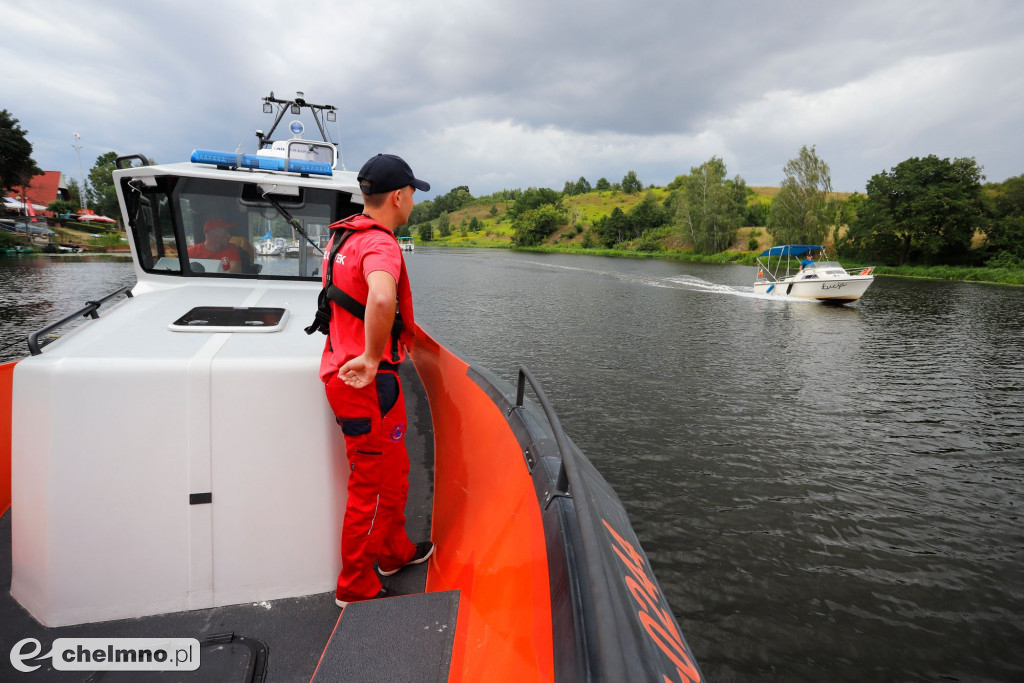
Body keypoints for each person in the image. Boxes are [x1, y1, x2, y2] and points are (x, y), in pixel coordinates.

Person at [319, 154, 434, 609]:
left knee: (396, 472)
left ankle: (393, 552)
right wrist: (370, 358)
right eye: (412, 196)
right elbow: (383, 297)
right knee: (369, 485)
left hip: (355, 377)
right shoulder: (381, 245)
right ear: (399, 197)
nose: (413, 205)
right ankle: (354, 585)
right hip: (366, 384)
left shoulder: (345, 236)